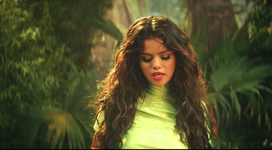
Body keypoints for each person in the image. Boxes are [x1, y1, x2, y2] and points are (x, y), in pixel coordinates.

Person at [91, 16, 218, 149]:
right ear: (136, 62)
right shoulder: (116, 104)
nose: (156, 65)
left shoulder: (195, 109)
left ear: (178, 58)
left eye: (165, 57)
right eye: (146, 59)